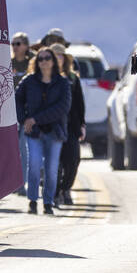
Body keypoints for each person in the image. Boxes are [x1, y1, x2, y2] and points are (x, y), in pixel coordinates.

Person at [15, 45, 71, 214]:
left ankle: (48, 202)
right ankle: (32, 201)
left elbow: (63, 107)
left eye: (47, 58)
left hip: (55, 132)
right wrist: (24, 120)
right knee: (33, 166)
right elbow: (17, 99)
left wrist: (35, 119)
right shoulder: (29, 81)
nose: (44, 62)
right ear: (36, 62)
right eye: (40, 59)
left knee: (51, 170)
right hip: (34, 132)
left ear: (53, 61)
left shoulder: (62, 83)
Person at [51, 43, 85, 207]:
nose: (57, 58)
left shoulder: (72, 78)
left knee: (73, 159)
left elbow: (79, 104)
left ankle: (66, 188)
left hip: (71, 126)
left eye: (60, 55)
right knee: (54, 163)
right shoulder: (44, 77)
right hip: (51, 126)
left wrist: (82, 125)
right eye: (54, 55)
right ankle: (55, 193)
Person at [10, 32, 34, 195]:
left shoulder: (31, 63)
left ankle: (22, 184)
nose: (15, 47)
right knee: (12, 150)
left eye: (18, 44)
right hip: (10, 112)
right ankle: (12, 182)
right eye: (13, 44)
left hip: (26, 112)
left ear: (26, 45)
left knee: (23, 149)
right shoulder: (8, 63)